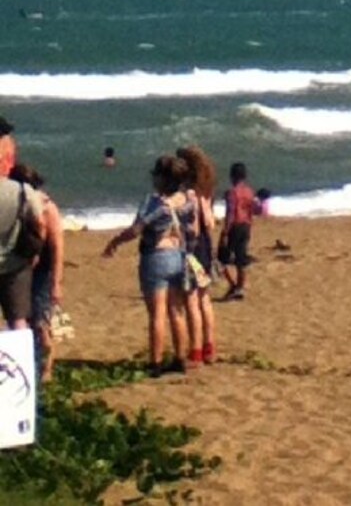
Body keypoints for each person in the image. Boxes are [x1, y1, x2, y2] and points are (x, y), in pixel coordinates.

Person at [103, 155, 191, 377]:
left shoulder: (154, 202)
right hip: (177, 254)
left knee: (157, 313)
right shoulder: (185, 200)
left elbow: (136, 230)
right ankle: (180, 358)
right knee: (176, 310)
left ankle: (156, 362)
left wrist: (115, 241)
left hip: (156, 256)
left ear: (161, 178)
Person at [9, 164, 64, 382]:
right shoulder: (21, 206)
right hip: (24, 268)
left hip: (44, 270)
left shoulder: (47, 208)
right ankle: (34, 364)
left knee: (41, 321)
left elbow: (58, 247)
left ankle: (46, 369)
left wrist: (57, 282)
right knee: (28, 317)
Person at [0, 117, 45, 332]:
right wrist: (34, 251)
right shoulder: (21, 191)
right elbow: (39, 223)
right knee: (18, 319)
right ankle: (20, 354)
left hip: (14, 262)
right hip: (15, 262)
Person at [176, 146, 219, 364]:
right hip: (206, 246)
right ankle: (209, 346)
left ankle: (195, 350)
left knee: (191, 300)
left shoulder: (189, 194)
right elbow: (210, 223)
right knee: (204, 299)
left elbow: (192, 228)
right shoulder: (206, 190)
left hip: (192, 249)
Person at [218, 162, 255, 301]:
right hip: (246, 225)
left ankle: (233, 285)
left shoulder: (232, 193)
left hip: (235, 226)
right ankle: (240, 287)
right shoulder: (249, 192)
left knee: (222, 259)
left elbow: (231, 213)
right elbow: (251, 211)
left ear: (232, 176)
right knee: (241, 258)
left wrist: (225, 232)